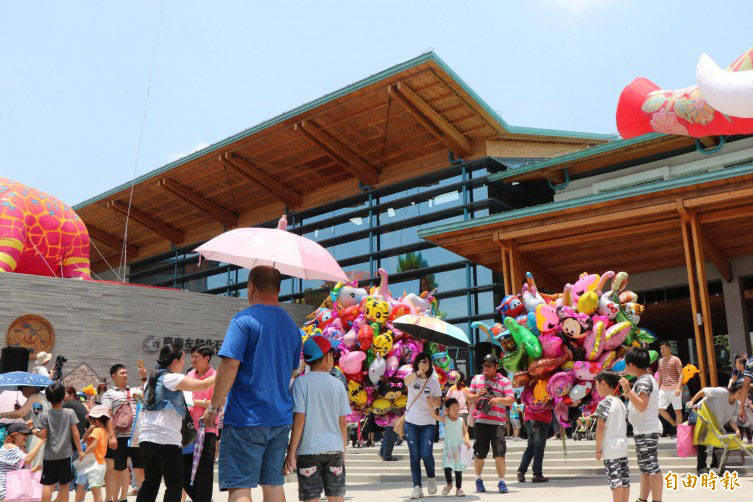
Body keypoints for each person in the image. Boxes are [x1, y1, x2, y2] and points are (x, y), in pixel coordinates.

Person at [204, 266, 302, 502]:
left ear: (251, 288)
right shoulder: (292, 328)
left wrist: (213, 408)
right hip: (279, 419)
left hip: (246, 418)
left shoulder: (243, 320)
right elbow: (292, 371)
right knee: (273, 485)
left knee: (240, 487)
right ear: (279, 290)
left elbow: (229, 367)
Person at [134, 344, 215, 502]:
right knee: (174, 484)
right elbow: (203, 384)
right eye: (183, 359)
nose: (185, 363)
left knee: (151, 482)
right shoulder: (171, 378)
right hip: (165, 438)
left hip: (145, 438)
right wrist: (226, 372)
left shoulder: (151, 379)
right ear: (175, 361)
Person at [284, 335, 350, 502]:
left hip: (308, 450)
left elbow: (298, 421)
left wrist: (291, 453)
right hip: (334, 449)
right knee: (336, 497)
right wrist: (343, 451)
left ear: (307, 361)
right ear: (327, 357)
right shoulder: (338, 385)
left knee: (310, 497)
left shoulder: (300, 383)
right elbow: (343, 423)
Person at [466, 354, 514, 494]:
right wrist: (477, 396)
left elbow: (511, 400)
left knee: (500, 453)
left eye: (489, 366)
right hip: (481, 421)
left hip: (498, 423)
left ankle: (502, 482)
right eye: (484, 365)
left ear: (496, 367)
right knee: (480, 453)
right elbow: (468, 397)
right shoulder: (477, 379)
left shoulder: (504, 381)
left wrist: (498, 400)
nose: (485, 368)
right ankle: (478, 479)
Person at [619, 347, 662, 502]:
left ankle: (657, 499)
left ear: (631, 364)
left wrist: (628, 391)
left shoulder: (643, 381)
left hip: (647, 430)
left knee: (652, 467)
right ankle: (642, 499)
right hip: (644, 429)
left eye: (626, 363)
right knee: (646, 467)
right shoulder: (645, 379)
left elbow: (642, 405)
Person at [403, 352, 442, 499]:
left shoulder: (434, 381)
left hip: (428, 422)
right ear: (417, 363)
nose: (424, 364)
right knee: (414, 455)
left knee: (426, 454)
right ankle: (417, 486)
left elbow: (439, 402)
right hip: (411, 421)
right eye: (421, 361)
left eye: (426, 362)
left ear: (431, 364)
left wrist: (434, 401)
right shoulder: (412, 377)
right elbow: (405, 381)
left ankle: (431, 477)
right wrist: (418, 372)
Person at [101, 364, 143, 502]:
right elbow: (106, 415)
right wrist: (112, 436)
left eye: (126, 372)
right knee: (118, 470)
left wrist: (144, 378)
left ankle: (123, 498)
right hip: (120, 437)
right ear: (113, 376)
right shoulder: (109, 394)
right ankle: (113, 498)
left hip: (136, 437)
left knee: (135, 469)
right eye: (122, 373)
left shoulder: (135, 391)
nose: (125, 375)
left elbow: (149, 392)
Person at [36, 383, 83, 502]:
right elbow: (75, 432)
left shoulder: (44, 415)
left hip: (49, 456)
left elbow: (42, 436)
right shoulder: (69, 413)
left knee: (48, 484)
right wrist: (80, 450)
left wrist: (32, 429)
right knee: (65, 485)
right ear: (63, 397)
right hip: (65, 455)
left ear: (47, 398)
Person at [182, 345, 218, 502]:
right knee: (184, 472)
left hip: (207, 431)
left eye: (196, 357)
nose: (193, 360)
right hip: (187, 432)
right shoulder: (190, 374)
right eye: (192, 357)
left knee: (204, 474)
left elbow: (219, 402)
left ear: (207, 358)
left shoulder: (216, 376)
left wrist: (196, 402)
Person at [686, 381, 743, 474]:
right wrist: (692, 401)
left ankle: (715, 467)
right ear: (734, 390)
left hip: (717, 424)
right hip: (704, 416)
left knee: (719, 443)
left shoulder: (737, 404)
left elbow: (732, 419)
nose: (742, 395)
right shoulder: (723, 392)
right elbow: (703, 391)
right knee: (702, 443)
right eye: (740, 392)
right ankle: (701, 468)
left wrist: (737, 430)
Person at [594, 371, 629, 502]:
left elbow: (600, 428)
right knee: (624, 481)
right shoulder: (620, 402)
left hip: (610, 447)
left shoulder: (603, 404)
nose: (596, 388)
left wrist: (598, 449)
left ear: (603, 383)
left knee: (615, 483)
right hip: (622, 446)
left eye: (597, 384)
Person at [0, 386, 50, 471]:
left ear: (31, 387)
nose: (22, 392)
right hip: (41, 433)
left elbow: (20, 414)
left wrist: (2, 414)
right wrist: (19, 410)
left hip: (37, 435)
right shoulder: (41, 397)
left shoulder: (34, 397)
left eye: (22, 388)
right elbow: (35, 417)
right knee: (37, 465)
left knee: (32, 463)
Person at [430, 398, 471, 497]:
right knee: (447, 467)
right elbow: (434, 416)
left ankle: (458, 488)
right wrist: (431, 405)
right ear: (447, 409)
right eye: (454, 408)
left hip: (459, 448)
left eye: (458, 408)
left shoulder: (461, 420)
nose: (456, 410)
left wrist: (467, 440)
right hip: (448, 448)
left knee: (458, 469)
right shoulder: (446, 419)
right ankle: (449, 484)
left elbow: (465, 432)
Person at [0, 422, 45, 501]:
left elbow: (23, 466)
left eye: (27, 434)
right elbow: (27, 459)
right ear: (15, 435)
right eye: (24, 434)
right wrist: (41, 441)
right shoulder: (10, 446)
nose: (26, 437)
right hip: (5, 490)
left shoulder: (8, 447)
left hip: (8, 489)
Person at [76, 405, 110, 502]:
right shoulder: (104, 430)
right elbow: (85, 441)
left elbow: (93, 445)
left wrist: (83, 455)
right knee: (97, 491)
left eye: (91, 419)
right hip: (100, 463)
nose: (90, 421)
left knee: (96, 492)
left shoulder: (97, 430)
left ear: (97, 420)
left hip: (95, 463)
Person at [516, 397, 551, 484]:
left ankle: (521, 471)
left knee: (531, 447)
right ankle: (537, 474)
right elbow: (548, 405)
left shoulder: (527, 387)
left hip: (529, 419)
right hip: (541, 419)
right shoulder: (544, 387)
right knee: (539, 447)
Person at [656, 341, 683, 430]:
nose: (662, 351)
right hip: (663, 388)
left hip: (675, 388)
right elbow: (660, 376)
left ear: (669, 348)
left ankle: (679, 432)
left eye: (663, 348)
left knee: (677, 411)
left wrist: (678, 388)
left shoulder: (676, 359)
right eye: (661, 349)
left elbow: (681, 375)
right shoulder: (660, 361)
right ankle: (674, 424)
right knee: (660, 408)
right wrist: (658, 388)